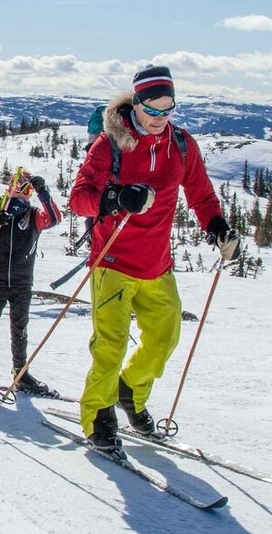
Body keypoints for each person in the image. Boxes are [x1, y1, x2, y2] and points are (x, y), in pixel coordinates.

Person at [66, 64, 240, 453]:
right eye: (153, 109)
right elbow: (79, 198)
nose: (161, 118)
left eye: (168, 109)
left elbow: (201, 194)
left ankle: (130, 391)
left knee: (164, 339)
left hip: (157, 264)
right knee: (109, 347)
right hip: (111, 261)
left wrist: (217, 227)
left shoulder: (181, 144)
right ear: (136, 103)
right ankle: (98, 418)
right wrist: (114, 198)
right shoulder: (110, 144)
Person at [0, 169, 62, 398]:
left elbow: (55, 219)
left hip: (21, 283)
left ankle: (21, 373)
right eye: (16, 187)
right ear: (9, 188)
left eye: (26, 189)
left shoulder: (33, 215)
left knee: (20, 330)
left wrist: (44, 193)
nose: (20, 193)